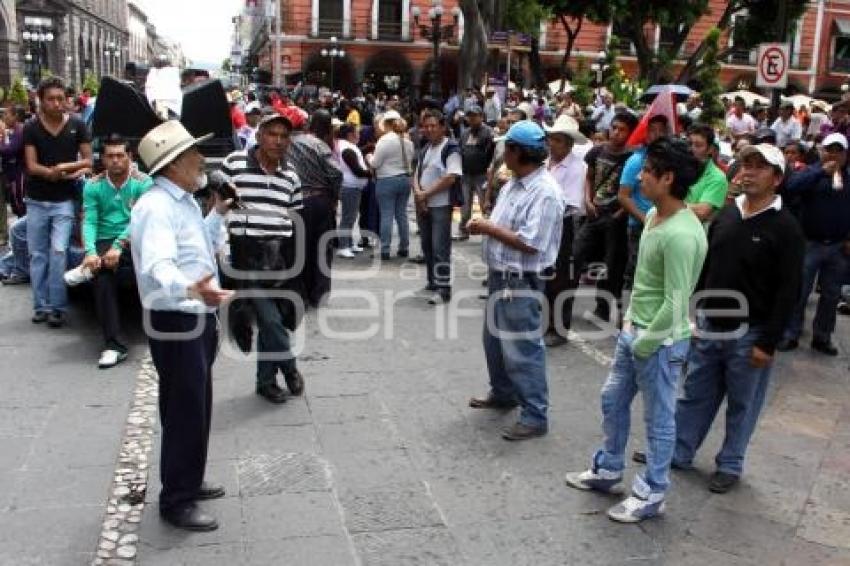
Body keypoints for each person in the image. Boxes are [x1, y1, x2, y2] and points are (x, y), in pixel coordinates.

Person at [632, 143, 804, 494]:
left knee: (742, 403)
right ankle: (678, 452)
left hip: (750, 331)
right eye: (747, 164)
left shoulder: (786, 227)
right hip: (710, 323)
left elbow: (790, 290)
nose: (750, 171)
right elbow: (706, 266)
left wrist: (767, 341)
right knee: (695, 392)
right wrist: (693, 313)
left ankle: (730, 463)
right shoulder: (727, 214)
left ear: (777, 178)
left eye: (760, 167)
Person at [564, 137, 707, 523]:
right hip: (636, 330)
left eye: (647, 170)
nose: (640, 176)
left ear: (668, 178)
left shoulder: (681, 233)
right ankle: (609, 467)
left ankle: (652, 491)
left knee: (659, 419)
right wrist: (630, 324)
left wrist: (645, 341)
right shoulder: (654, 216)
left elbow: (677, 300)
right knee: (612, 399)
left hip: (659, 342)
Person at [131, 120, 234, 532]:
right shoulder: (156, 207)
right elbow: (159, 266)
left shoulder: (184, 201)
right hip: (177, 318)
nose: (200, 159)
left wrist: (217, 215)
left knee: (193, 404)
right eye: (193, 153)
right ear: (173, 164)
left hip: (194, 316)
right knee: (185, 408)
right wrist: (191, 289)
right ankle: (176, 499)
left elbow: (199, 245)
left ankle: (187, 476)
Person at [467, 120, 564, 440]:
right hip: (502, 277)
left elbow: (531, 241)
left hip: (520, 280)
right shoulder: (515, 183)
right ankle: (503, 392)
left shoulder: (545, 192)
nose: (502, 152)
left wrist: (487, 228)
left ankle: (535, 414)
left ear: (518, 152)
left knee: (523, 349)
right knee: (493, 343)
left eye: (506, 147)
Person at [220, 112, 306, 405]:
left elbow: (294, 220)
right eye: (272, 134)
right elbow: (216, 207)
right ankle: (290, 368)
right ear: (259, 136)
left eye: (284, 137)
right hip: (247, 255)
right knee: (270, 319)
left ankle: (266, 382)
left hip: (278, 256)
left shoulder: (291, 177)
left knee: (276, 319)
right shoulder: (234, 164)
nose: (278, 141)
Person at [23, 76, 92, 328]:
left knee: (59, 252)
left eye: (60, 99)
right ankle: (40, 305)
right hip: (36, 199)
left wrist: (66, 168)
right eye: (50, 99)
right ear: (40, 101)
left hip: (64, 199)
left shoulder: (77, 124)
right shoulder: (31, 127)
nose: (56, 103)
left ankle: (57, 306)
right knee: (38, 254)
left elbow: (88, 161)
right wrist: (49, 173)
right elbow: (31, 165)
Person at [80, 134, 153, 368]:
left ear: (130, 157)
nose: (115, 161)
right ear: (102, 159)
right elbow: (89, 221)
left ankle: (166, 329)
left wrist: (119, 246)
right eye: (110, 156)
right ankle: (114, 345)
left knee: (155, 266)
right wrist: (90, 252)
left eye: (120, 155)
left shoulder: (144, 183)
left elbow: (140, 219)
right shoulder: (93, 186)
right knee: (101, 276)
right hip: (104, 238)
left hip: (136, 235)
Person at [777, 132, 850, 356]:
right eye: (830, 150)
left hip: (838, 246)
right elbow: (790, 188)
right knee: (800, 291)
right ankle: (791, 333)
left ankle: (822, 337)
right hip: (810, 242)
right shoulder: (810, 171)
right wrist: (820, 172)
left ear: (846, 154)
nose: (834, 155)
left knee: (831, 294)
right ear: (822, 151)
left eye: (839, 151)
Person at [563, 112, 637, 329]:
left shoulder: (632, 159)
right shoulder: (597, 151)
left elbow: (632, 191)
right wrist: (587, 199)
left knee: (612, 265)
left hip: (616, 217)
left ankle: (604, 307)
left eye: (622, 129)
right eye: (614, 127)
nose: (616, 133)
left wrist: (619, 214)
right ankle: (563, 304)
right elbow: (589, 177)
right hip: (594, 213)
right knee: (575, 255)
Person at [286, 108, 343, 307]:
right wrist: (334, 196)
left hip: (293, 202)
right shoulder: (317, 144)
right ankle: (318, 294)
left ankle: (299, 293)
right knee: (320, 248)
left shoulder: (282, 145)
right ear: (304, 124)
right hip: (319, 201)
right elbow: (336, 173)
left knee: (297, 249)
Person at [541, 116, 587, 347]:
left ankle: (559, 328)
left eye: (557, 140)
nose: (552, 144)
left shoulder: (577, 167)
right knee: (546, 275)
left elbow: (571, 203)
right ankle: (547, 322)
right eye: (551, 139)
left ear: (568, 143)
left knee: (562, 279)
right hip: (544, 225)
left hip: (563, 226)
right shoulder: (546, 162)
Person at [413, 109, 462, 305]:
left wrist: (426, 194)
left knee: (440, 247)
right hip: (424, 204)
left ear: (443, 127)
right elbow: (416, 173)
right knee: (427, 245)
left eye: (434, 126)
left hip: (441, 205)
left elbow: (451, 177)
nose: (429, 129)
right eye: (426, 126)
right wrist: (419, 194)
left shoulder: (451, 148)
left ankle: (444, 289)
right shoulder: (426, 148)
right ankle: (432, 282)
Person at [618, 115, 670, 289]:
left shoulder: (669, 161)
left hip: (664, 223)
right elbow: (623, 195)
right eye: (652, 130)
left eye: (661, 130)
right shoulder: (636, 160)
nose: (657, 135)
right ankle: (628, 312)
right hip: (640, 225)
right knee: (635, 272)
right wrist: (645, 218)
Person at [369, 110, 414, 260]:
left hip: (387, 180)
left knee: (386, 214)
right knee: (401, 214)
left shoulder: (384, 140)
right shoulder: (408, 141)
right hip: (405, 180)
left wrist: (368, 157)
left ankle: (385, 249)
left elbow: (375, 163)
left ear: (386, 124)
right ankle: (404, 247)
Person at [456, 105, 495, 241]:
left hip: (481, 174)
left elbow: (491, 154)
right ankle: (463, 230)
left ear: (481, 117)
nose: (472, 118)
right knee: (465, 205)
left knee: (485, 204)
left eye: (475, 116)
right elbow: (460, 150)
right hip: (466, 174)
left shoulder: (489, 132)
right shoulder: (465, 133)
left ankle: (489, 232)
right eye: (470, 116)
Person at [335, 124, 371, 258]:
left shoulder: (348, 146)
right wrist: (371, 173)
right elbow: (357, 171)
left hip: (353, 186)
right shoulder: (347, 149)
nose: (359, 135)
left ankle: (349, 244)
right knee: (348, 217)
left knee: (351, 217)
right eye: (357, 132)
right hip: (350, 186)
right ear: (350, 134)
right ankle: (343, 246)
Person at [686, 124, 729, 223]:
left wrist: (670, 204)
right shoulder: (680, 167)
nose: (691, 149)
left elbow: (702, 211)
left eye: (698, 145)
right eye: (689, 144)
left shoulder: (717, 178)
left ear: (710, 149)